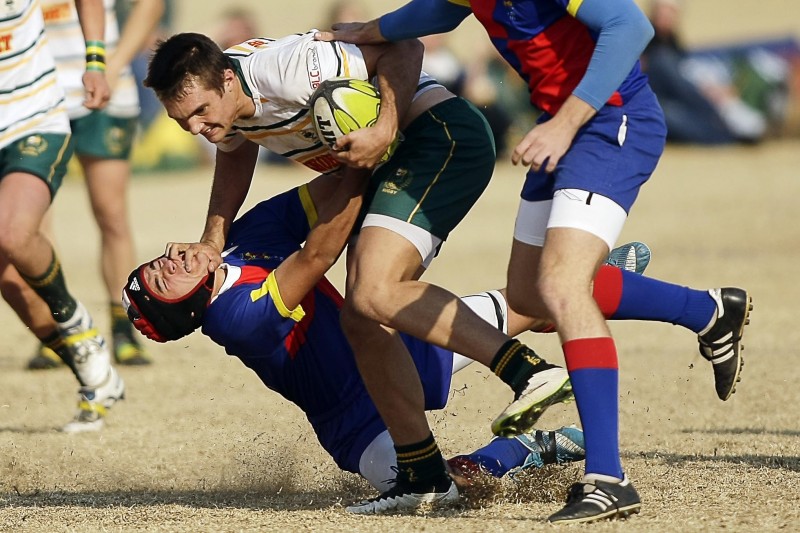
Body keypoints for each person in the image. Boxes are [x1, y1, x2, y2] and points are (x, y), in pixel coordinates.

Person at [315, 0, 752, 523]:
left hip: (608, 122)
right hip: (562, 129)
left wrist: (565, 123)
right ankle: (706, 310)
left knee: (563, 285)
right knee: (529, 294)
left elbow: (630, 25)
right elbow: (440, 10)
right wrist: (370, 29)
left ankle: (609, 479)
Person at [143, 30, 576, 513]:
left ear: (227, 80)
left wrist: (383, 130)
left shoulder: (289, 70)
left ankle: (529, 370)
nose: (195, 128)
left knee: (371, 295)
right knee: (403, 310)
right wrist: (212, 238)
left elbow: (407, 47)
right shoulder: (231, 306)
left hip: (434, 138)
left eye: (200, 112)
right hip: (369, 385)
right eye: (182, 121)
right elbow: (240, 148)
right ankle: (590, 297)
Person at [121, 173, 593, 499]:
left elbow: (324, 195)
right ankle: (518, 450)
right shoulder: (233, 320)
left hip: (399, 346)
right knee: (446, 494)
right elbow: (317, 256)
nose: (166, 264)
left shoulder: (247, 236)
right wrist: (362, 164)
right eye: (163, 282)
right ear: (186, 308)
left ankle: (607, 285)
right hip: (357, 423)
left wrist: (360, 151)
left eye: (154, 265)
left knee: (532, 303)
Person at [15, 0, 166, 371]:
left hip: (106, 91)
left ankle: (123, 326)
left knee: (111, 213)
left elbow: (151, 5)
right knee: (34, 222)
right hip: (37, 98)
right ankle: (56, 329)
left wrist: (113, 65)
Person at [0, 0, 125, 433]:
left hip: (33, 121)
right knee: (12, 283)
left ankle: (75, 320)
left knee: (13, 233)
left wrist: (95, 60)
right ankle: (94, 376)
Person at [642, 0, 766, 144]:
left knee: (674, 114)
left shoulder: (674, 43)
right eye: (662, 10)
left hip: (679, 102)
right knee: (664, 113)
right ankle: (723, 128)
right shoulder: (644, 40)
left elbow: (684, 79)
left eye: (670, 11)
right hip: (655, 101)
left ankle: (724, 126)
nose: (665, 16)